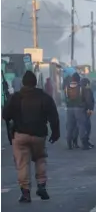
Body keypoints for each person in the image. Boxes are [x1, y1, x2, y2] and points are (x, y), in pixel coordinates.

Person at [2, 71, 60, 203]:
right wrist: (55, 133)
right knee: (40, 159)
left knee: (22, 163)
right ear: (35, 82)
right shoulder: (44, 97)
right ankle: (41, 185)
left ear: (23, 83)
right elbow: (54, 117)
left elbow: (6, 115)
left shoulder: (16, 97)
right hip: (39, 135)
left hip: (20, 134)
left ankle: (26, 192)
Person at [64, 73, 93, 150]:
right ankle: (84, 143)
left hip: (69, 109)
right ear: (78, 79)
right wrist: (89, 108)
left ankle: (69, 143)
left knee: (70, 126)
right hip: (80, 109)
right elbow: (87, 99)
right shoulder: (81, 88)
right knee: (81, 126)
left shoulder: (67, 88)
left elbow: (66, 99)